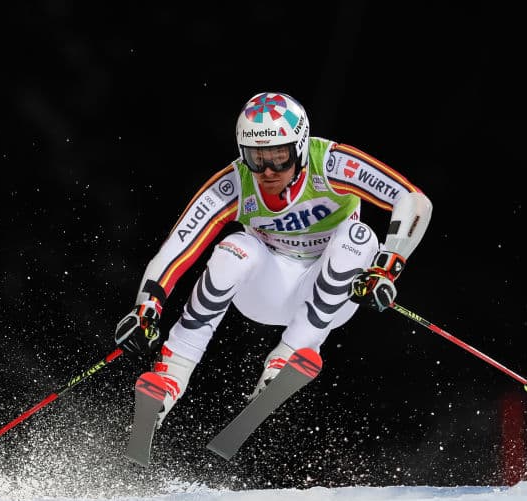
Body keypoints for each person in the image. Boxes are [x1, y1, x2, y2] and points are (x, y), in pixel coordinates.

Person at [115, 91, 432, 431]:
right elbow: (177, 247)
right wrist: (147, 308)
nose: (267, 171)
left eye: (280, 157)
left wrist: (387, 266)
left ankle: (289, 355)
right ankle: (171, 374)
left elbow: (414, 200)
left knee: (360, 237)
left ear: (299, 147)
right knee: (235, 248)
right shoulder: (234, 183)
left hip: (331, 292)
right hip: (267, 290)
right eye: (256, 158)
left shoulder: (331, 163)